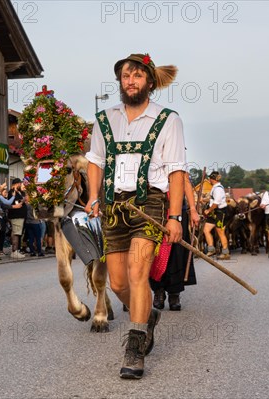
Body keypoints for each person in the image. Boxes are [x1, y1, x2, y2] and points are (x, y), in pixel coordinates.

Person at [85, 53, 185, 379]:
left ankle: (135, 345)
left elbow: (176, 172)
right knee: (117, 282)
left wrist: (175, 217)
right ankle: (148, 316)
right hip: (114, 207)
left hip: (150, 204)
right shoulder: (104, 119)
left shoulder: (169, 120)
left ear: (150, 82)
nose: (130, 81)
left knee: (138, 272)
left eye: (137, 76)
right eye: (126, 76)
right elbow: (95, 162)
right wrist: (93, 197)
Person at [151, 173, 200, 311]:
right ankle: (158, 291)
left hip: (177, 211)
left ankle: (174, 293)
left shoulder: (177, 156)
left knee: (176, 252)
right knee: (155, 251)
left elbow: (185, 182)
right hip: (155, 209)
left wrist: (193, 209)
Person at [202, 171, 230, 260]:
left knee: (220, 232)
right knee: (206, 229)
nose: (209, 180)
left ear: (212, 179)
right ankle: (211, 249)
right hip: (214, 212)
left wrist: (208, 210)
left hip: (220, 212)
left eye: (210, 178)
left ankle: (225, 253)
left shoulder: (218, 189)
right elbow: (212, 199)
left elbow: (216, 203)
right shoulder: (214, 188)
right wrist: (203, 200)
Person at [7, 178, 27, 259]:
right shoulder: (11, 192)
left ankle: (17, 250)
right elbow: (14, 202)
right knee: (16, 233)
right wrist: (22, 201)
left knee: (19, 233)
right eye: (19, 183)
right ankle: (14, 250)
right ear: (15, 184)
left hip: (22, 216)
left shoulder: (21, 192)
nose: (20, 185)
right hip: (16, 215)